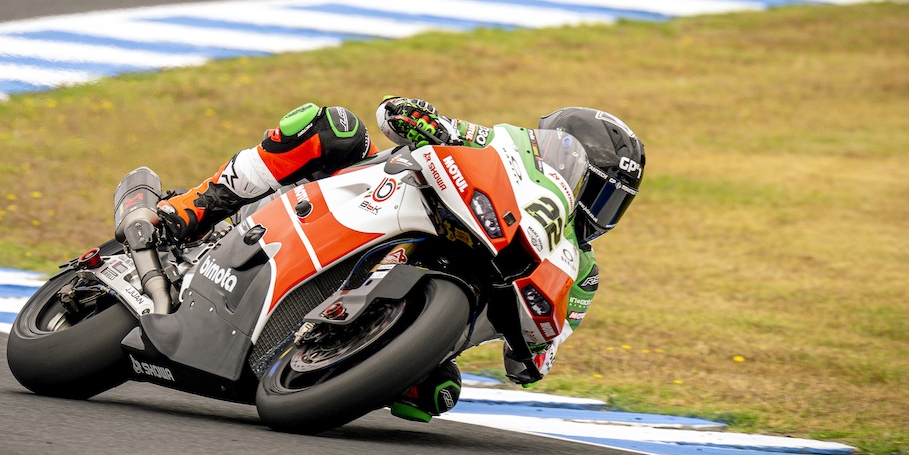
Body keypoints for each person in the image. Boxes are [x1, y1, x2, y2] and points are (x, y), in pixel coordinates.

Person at [155, 97, 645, 421]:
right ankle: (195, 207)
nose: (594, 210)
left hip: (435, 310)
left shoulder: (581, 273)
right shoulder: (502, 145)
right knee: (333, 127)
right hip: (365, 199)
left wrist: (528, 344)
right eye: (595, 191)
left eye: (610, 202)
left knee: (438, 393)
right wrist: (424, 120)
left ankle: (351, 346)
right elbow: (397, 114)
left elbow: (531, 365)